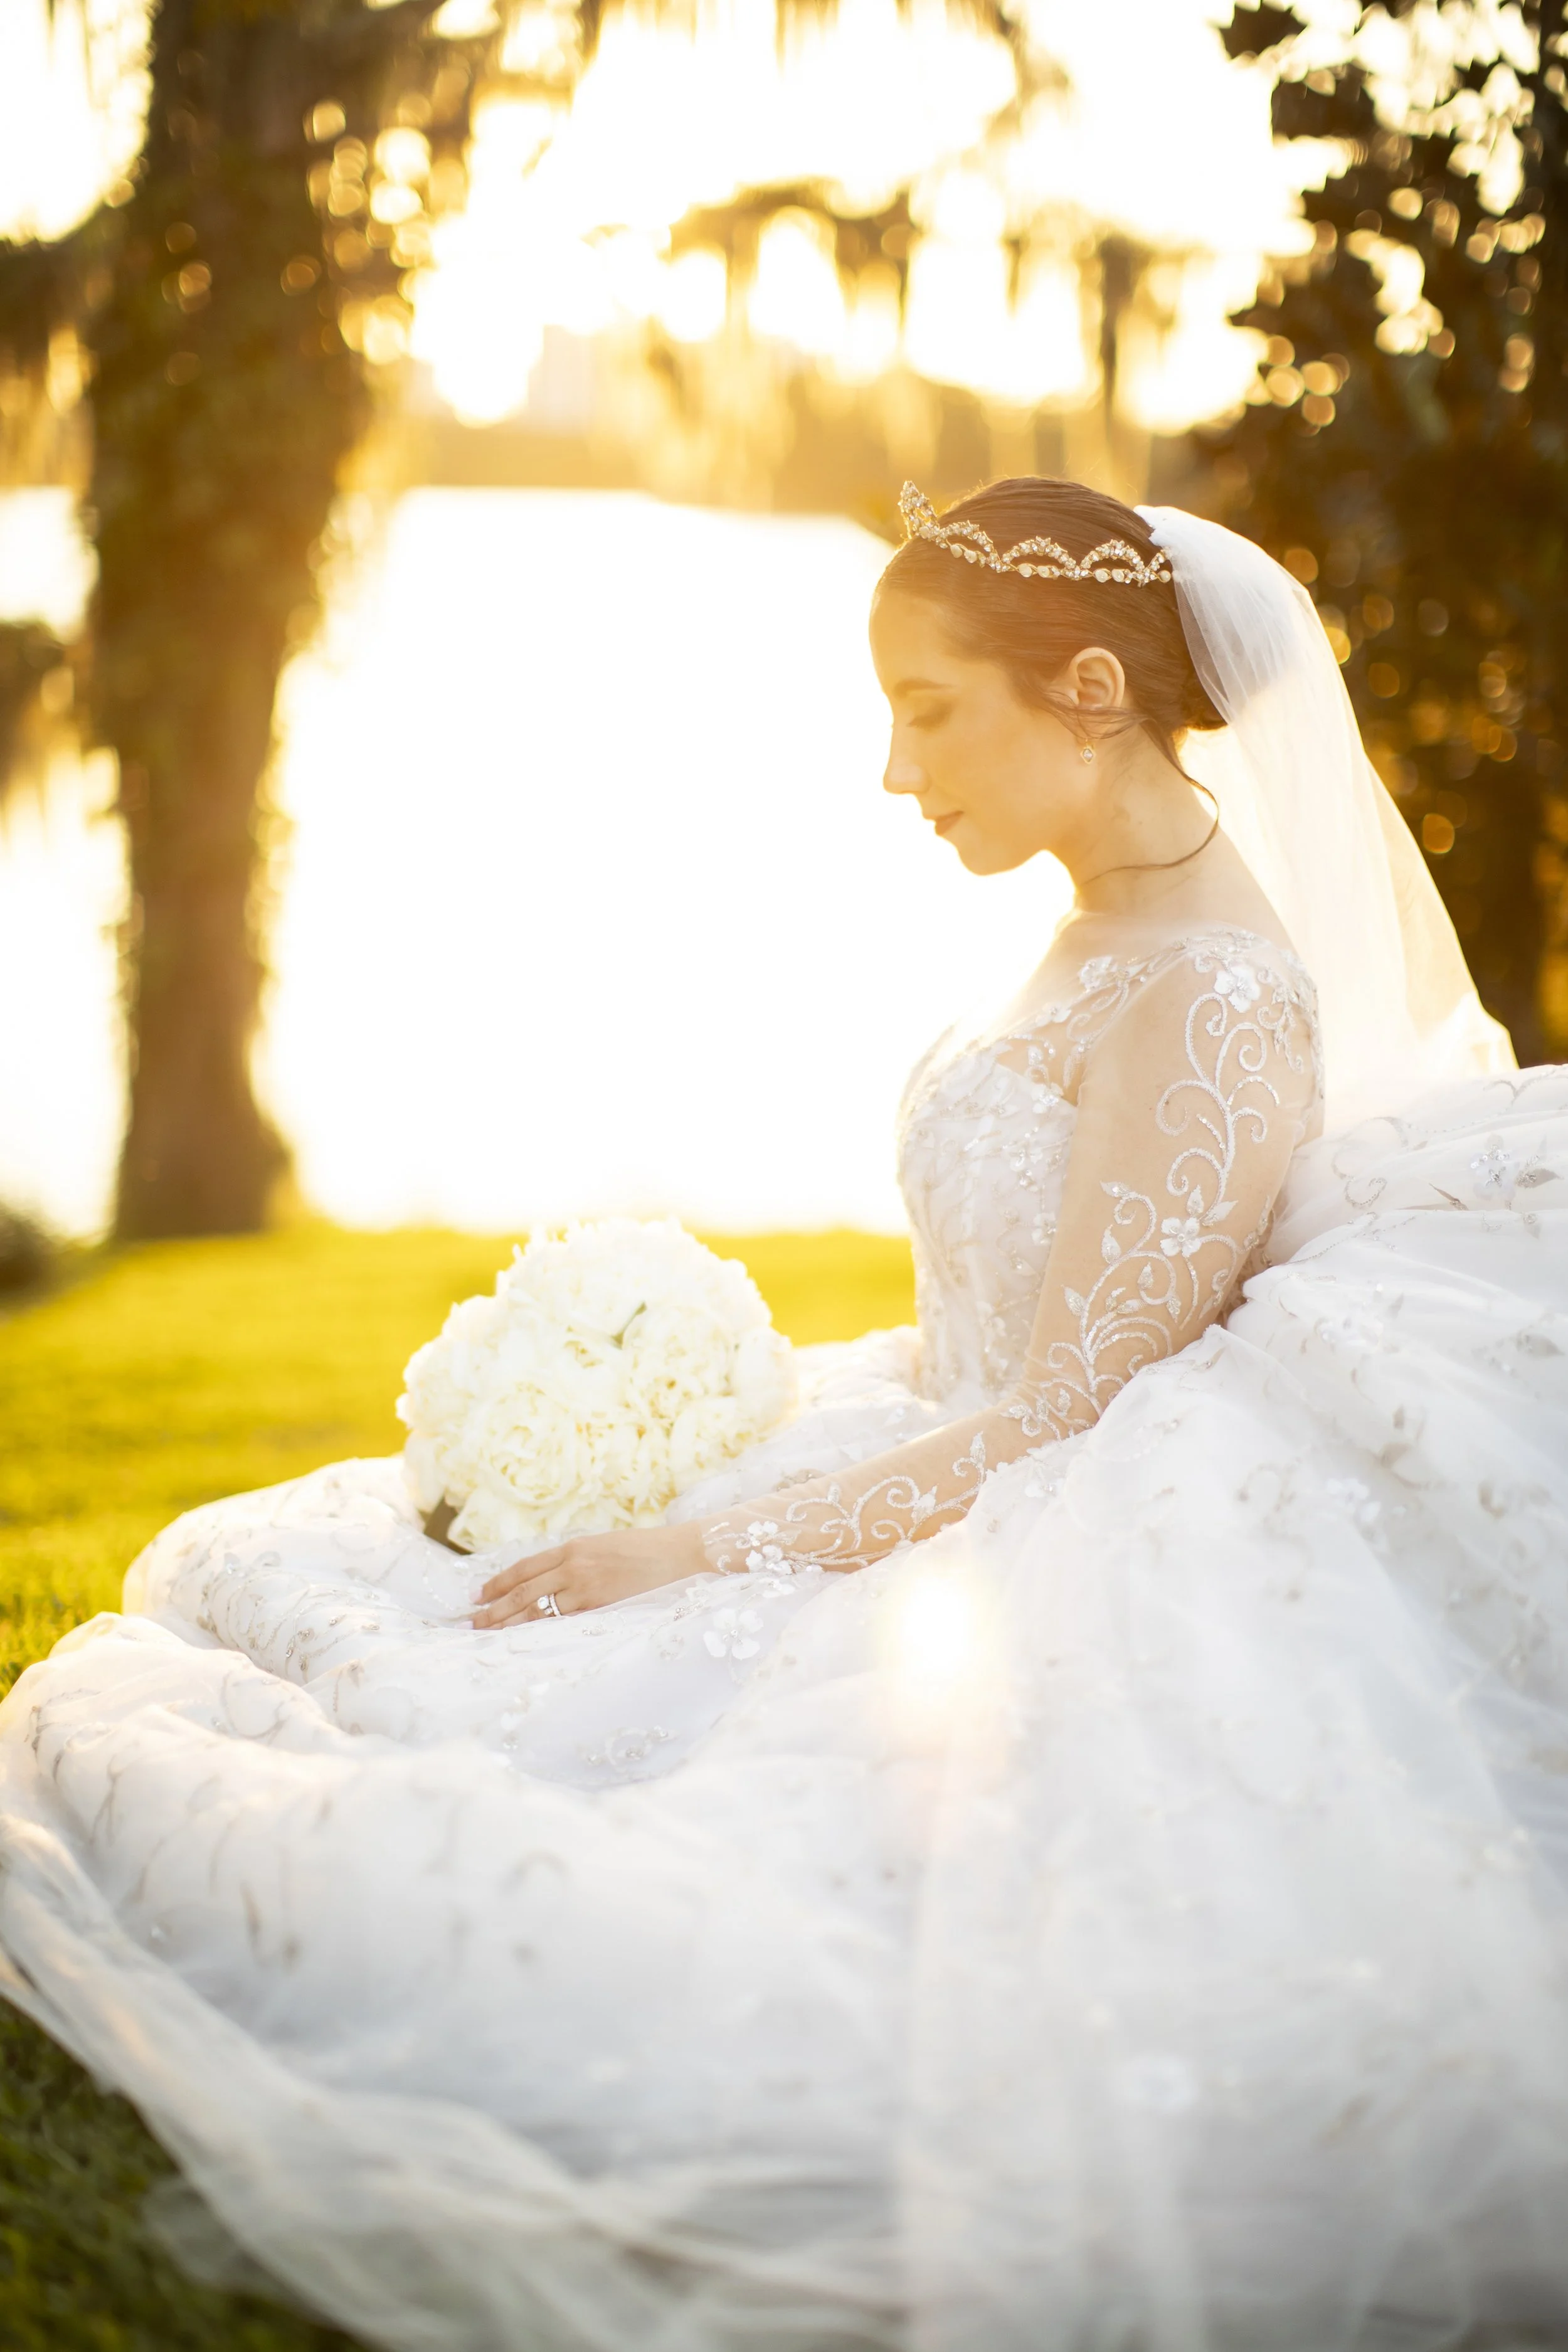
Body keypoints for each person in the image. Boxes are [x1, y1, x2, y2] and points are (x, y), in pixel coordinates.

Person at [2, 477, 1565, 2352]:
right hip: (944, 1426)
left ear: (1085, 688)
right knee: (292, 1584)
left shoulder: (1216, 992)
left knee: (539, 1751)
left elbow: (1070, 1404)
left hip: (1043, 1497)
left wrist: (684, 1539)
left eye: (927, 707)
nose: (895, 773)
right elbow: (1007, 1324)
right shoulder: (1099, 912)